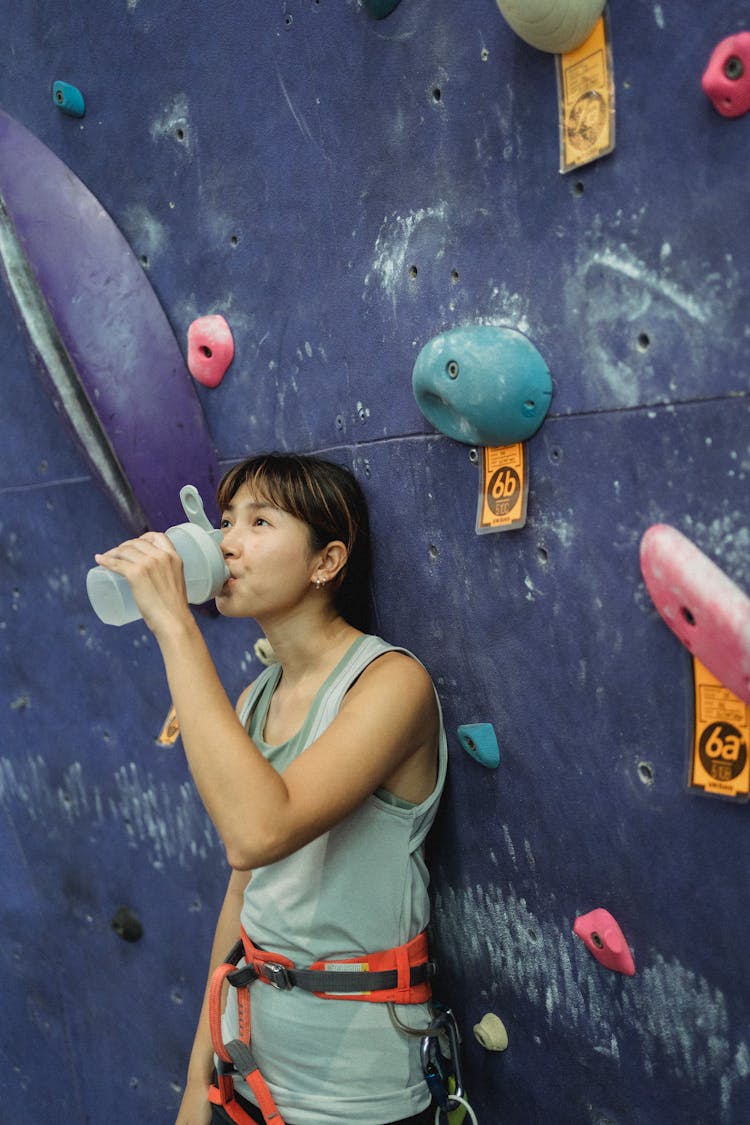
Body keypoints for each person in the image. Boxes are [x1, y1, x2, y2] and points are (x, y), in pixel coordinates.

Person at [94, 453, 448, 1125]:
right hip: (251, 1073)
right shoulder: (258, 696)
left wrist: (174, 622)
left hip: (353, 1098)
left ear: (326, 562)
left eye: (259, 521)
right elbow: (245, 889)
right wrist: (200, 1081)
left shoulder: (391, 685)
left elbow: (258, 828)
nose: (226, 541)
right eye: (227, 520)